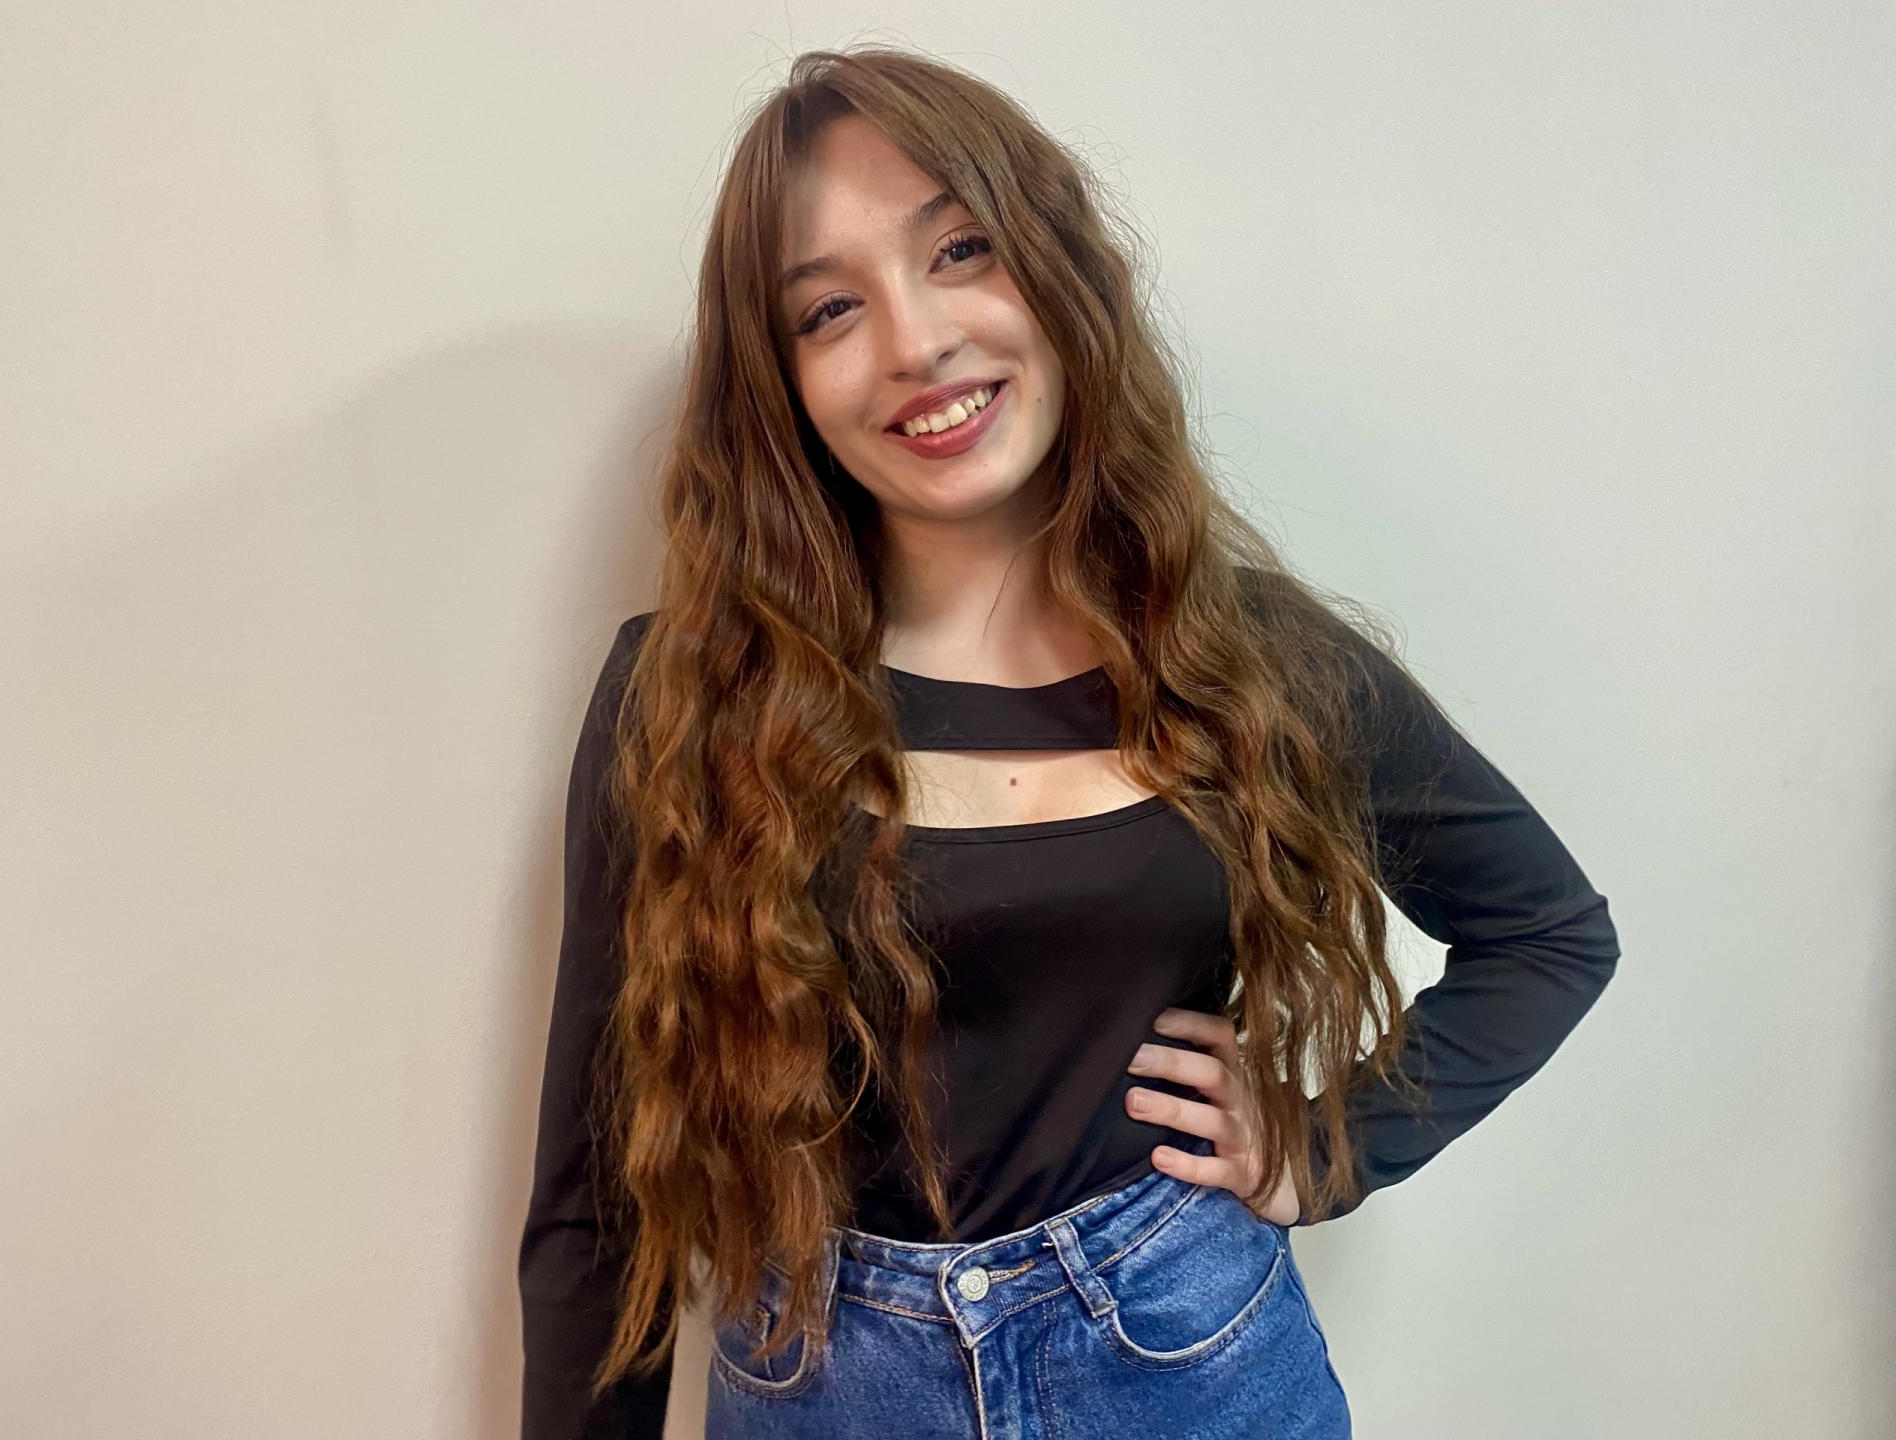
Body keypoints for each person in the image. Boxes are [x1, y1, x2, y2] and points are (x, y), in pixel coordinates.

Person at [517, 45, 1620, 1440]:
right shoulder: (684, 694)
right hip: (820, 1389)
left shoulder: (1254, 659)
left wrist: (1328, 1143)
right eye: (830, 308)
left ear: (1057, 273)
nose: (915, 342)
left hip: (1190, 1368)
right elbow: (599, 1203)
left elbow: (1549, 934)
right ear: (778, 379)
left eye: (959, 250)